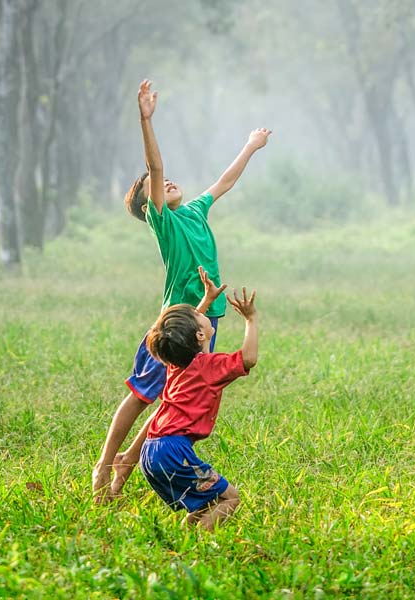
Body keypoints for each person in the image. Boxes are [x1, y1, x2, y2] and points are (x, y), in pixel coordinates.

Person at [92, 79, 270, 500]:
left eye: (170, 180)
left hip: (207, 319)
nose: (166, 181)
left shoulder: (193, 211)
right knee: (141, 395)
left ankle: (122, 477)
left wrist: (250, 146)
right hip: (176, 322)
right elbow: (154, 167)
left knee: (173, 402)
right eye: (154, 186)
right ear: (146, 205)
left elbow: (224, 182)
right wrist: (145, 119)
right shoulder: (164, 222)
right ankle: (104, 467)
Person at [140, 285, 258, 531]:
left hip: (150, 451)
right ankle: (199, 542)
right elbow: (249, 358)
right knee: (230, 498)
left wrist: (206, 300)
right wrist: (250, 319)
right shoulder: (210, 366)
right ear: (200, 336)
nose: (200, 312)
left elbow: (182, 334)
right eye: (198, 314)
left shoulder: (177, 363)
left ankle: (184, 537)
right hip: (174, 453)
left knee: (205, 503)